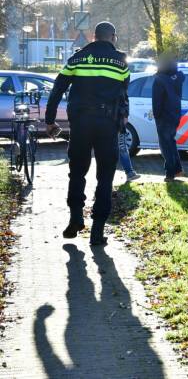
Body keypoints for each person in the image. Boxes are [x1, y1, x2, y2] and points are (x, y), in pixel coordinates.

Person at [45, 21, 130, 247]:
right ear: (113, 37)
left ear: (94, 36)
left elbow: (57, 89)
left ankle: (75, 217)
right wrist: (124, 118)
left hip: (81, 124)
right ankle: (97, 231)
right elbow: (124, 94)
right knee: (105, 177)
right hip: (107, 125)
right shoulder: (121, 61)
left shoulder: (77, 59)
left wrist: (50, 120)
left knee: (77, 173)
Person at [152, 55, 185, 182]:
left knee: (165, 145)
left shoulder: (159, 80)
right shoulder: (177, 79)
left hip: (163, 116)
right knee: (171, 142)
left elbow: (157, 101)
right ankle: (177, 169)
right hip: (175, 114)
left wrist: (156, 115)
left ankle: (170, 173)